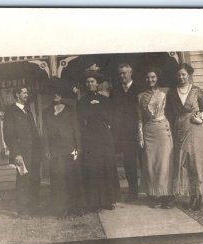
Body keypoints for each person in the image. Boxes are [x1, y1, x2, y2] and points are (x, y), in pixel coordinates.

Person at [166, 63, 203, 210]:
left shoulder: (197, 90)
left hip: (195, 128)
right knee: (184, 164)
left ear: (188, 74)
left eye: (183, 74)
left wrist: (201, 119)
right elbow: (169, 112)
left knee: (197, 163)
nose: (181, 77)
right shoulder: (172, 92)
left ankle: (200, 197)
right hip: (180, 128)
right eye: (178, 74)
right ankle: (191, 195)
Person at [77, 70, 120, 212]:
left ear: (97, 84)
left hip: (104, 138)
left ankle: (108, 200)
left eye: (92, 81)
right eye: (88, 82)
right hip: (90, 138)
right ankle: (94, 201)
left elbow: (111, 119)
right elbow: (80, 121)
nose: (90, 84)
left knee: (106, 166)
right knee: (93, 168)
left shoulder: (105, 100)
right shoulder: (81, 102)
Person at [42, 78, 85, 217]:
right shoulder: (46, 112)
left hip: (71, 148)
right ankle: (61, 208)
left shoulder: (70, 109)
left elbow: (76, 129)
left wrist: (78, 147)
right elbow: (45, 132)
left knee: (73, 177)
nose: (56, 95)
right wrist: (47, 150)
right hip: (55, 151)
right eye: (54, 93)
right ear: (51, 94)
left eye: (58, 93)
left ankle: (76, 207)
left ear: (61, 94)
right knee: (58, 179)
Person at [137, 67, 175, 209]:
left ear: (157, 78)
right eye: (148, 77)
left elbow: (172, 111)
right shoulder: (140, 96)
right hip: (149, 131)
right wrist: (140, 136)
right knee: (151, 164)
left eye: (153, 77)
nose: (150, 80)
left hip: (163, 129)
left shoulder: (165, 92)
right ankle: (156, 196)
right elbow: (139, 118)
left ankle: (168, 196)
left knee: (165, 163)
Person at [3, 86, 42, 219]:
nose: (27, 94)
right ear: (17, 94)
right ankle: (23, 211)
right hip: (21, 153)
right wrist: (16, 153)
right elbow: (8, 135)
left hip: (34, 152)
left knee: (34, 179)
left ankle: (34, 207)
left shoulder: (27, 110)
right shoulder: (10, 111)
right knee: (23, 180)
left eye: (27, 92)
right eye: (24, 92)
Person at [112, 63, 143, 202]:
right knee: (129, 163)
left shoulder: (140, 88)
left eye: (124, 73)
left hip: (140, 131)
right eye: (120, 74)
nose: (122, 76)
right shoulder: (116, 90)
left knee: (144, 162)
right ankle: (133, 192)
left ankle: (150, 191)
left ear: (131, 73)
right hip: (125, 135)